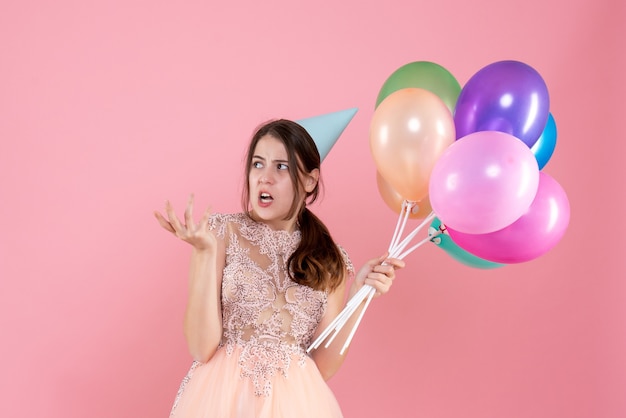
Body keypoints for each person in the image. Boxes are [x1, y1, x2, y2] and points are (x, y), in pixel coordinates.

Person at [154, 119, 405, 417]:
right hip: (222, 402)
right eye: (257, 165)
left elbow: (321, 366)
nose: (264, 178)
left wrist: (359, 298)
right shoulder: (219, 233)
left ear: (310, 181)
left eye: (281, 167)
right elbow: (201, 347)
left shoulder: (329, 258)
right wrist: (205, 253)